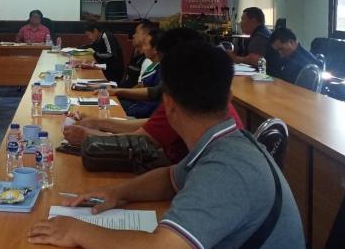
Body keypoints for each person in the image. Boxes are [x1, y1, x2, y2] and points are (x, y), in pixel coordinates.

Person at [29, 42, 314, 249]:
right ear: (228, 97)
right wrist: (116, 192)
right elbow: (169, 178)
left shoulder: (227, 168)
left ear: (168, 105)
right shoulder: (227, 142)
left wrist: (77, 230)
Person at [64, 28, 244, 162]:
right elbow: (151, 128)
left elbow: (142, 141)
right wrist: (98, 122)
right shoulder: (205, 92)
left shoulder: (186, 99)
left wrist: (88, 136)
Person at [118, 26, 162, 118]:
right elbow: (141, 85)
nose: (143, 48)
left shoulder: (160, 71)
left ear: (155, 49)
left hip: (141, 114)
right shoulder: (151, 65)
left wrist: (118, 92)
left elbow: (149, 105)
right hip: (137, 109)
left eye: (145, 45)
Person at [119, 21, 155, 89]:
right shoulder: (136, 54)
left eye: (136, 33)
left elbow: (140, 88)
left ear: (146, 36)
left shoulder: (148, 60)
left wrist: (118, 92)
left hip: (127, 95)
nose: (133, 35)